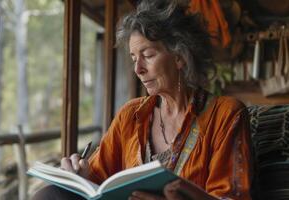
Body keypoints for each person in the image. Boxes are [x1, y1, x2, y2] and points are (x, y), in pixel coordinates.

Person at [32, 0, 253, 199]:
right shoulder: (131, 115)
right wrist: (80, 176)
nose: (138, 69)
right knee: (49, 194)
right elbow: (99, 179)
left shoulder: (225, 115)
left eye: (147, 56)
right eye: (134, 58)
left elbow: (232, 196)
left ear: (179, 57)